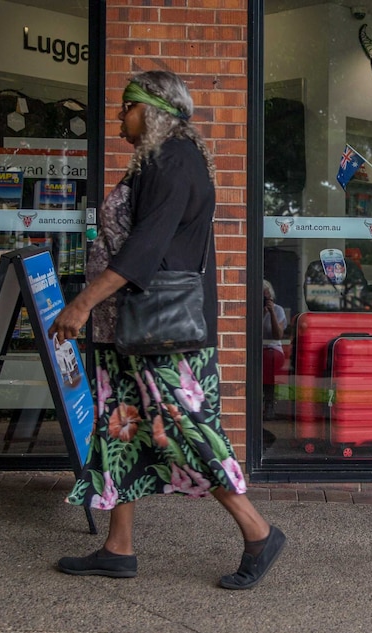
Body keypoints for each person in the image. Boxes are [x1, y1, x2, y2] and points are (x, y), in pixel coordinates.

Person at [48, 70, 285, 589]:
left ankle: (258, 531)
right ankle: (118, 547)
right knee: (121, 426)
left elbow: (145, 249)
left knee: (184, 429)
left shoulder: (171, 160)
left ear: (151, 108)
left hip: (164, 332)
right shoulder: (160, 158)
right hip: (134, 329)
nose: (118, 118)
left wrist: (82, 304)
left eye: (125, 108)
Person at [262, 280, 287, 421]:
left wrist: (271, 313)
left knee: (268, 357)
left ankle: (269, 401)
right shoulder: (251, 309)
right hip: (257, 350)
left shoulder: (278, 310)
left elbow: (278, 335)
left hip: (272, 348)